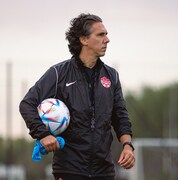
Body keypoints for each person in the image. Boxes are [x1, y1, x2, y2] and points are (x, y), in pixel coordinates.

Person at [19, 13, 135, 180]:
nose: (107, 39)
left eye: (106, 34)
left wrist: (127, 146)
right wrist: (43, 134)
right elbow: (27, 104)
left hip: (104, 171)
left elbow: (121, 117)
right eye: (101, 35)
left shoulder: (111, 76)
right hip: (69, 171)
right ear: (84, 39)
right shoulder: (59, 73)